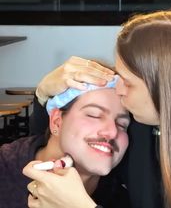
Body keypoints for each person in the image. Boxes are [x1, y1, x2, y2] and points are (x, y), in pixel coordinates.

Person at [23, 9, 171, 208]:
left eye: (128, 82)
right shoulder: (138, 124)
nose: (118, 89)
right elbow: (55, 133)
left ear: (167, 90)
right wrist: (43, 93)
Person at [0, 76, 131, 208]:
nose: (113, 132)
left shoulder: (124, 200)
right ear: (57, 122)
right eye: (94, 115)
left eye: (122, 124)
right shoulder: (4, 168)